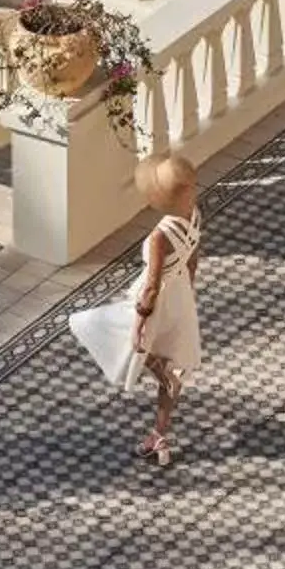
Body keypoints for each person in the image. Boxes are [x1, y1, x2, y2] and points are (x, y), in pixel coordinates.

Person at [69, 154, 203, 466]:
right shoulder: (194, 214)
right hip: (179, 290)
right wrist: (189, 292)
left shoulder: (159, 236)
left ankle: (159, 369)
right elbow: (194, 256)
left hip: (157, 298)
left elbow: (152, 287)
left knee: (92, 325)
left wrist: (141, 319)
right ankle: (159, 435)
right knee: (173, 361)